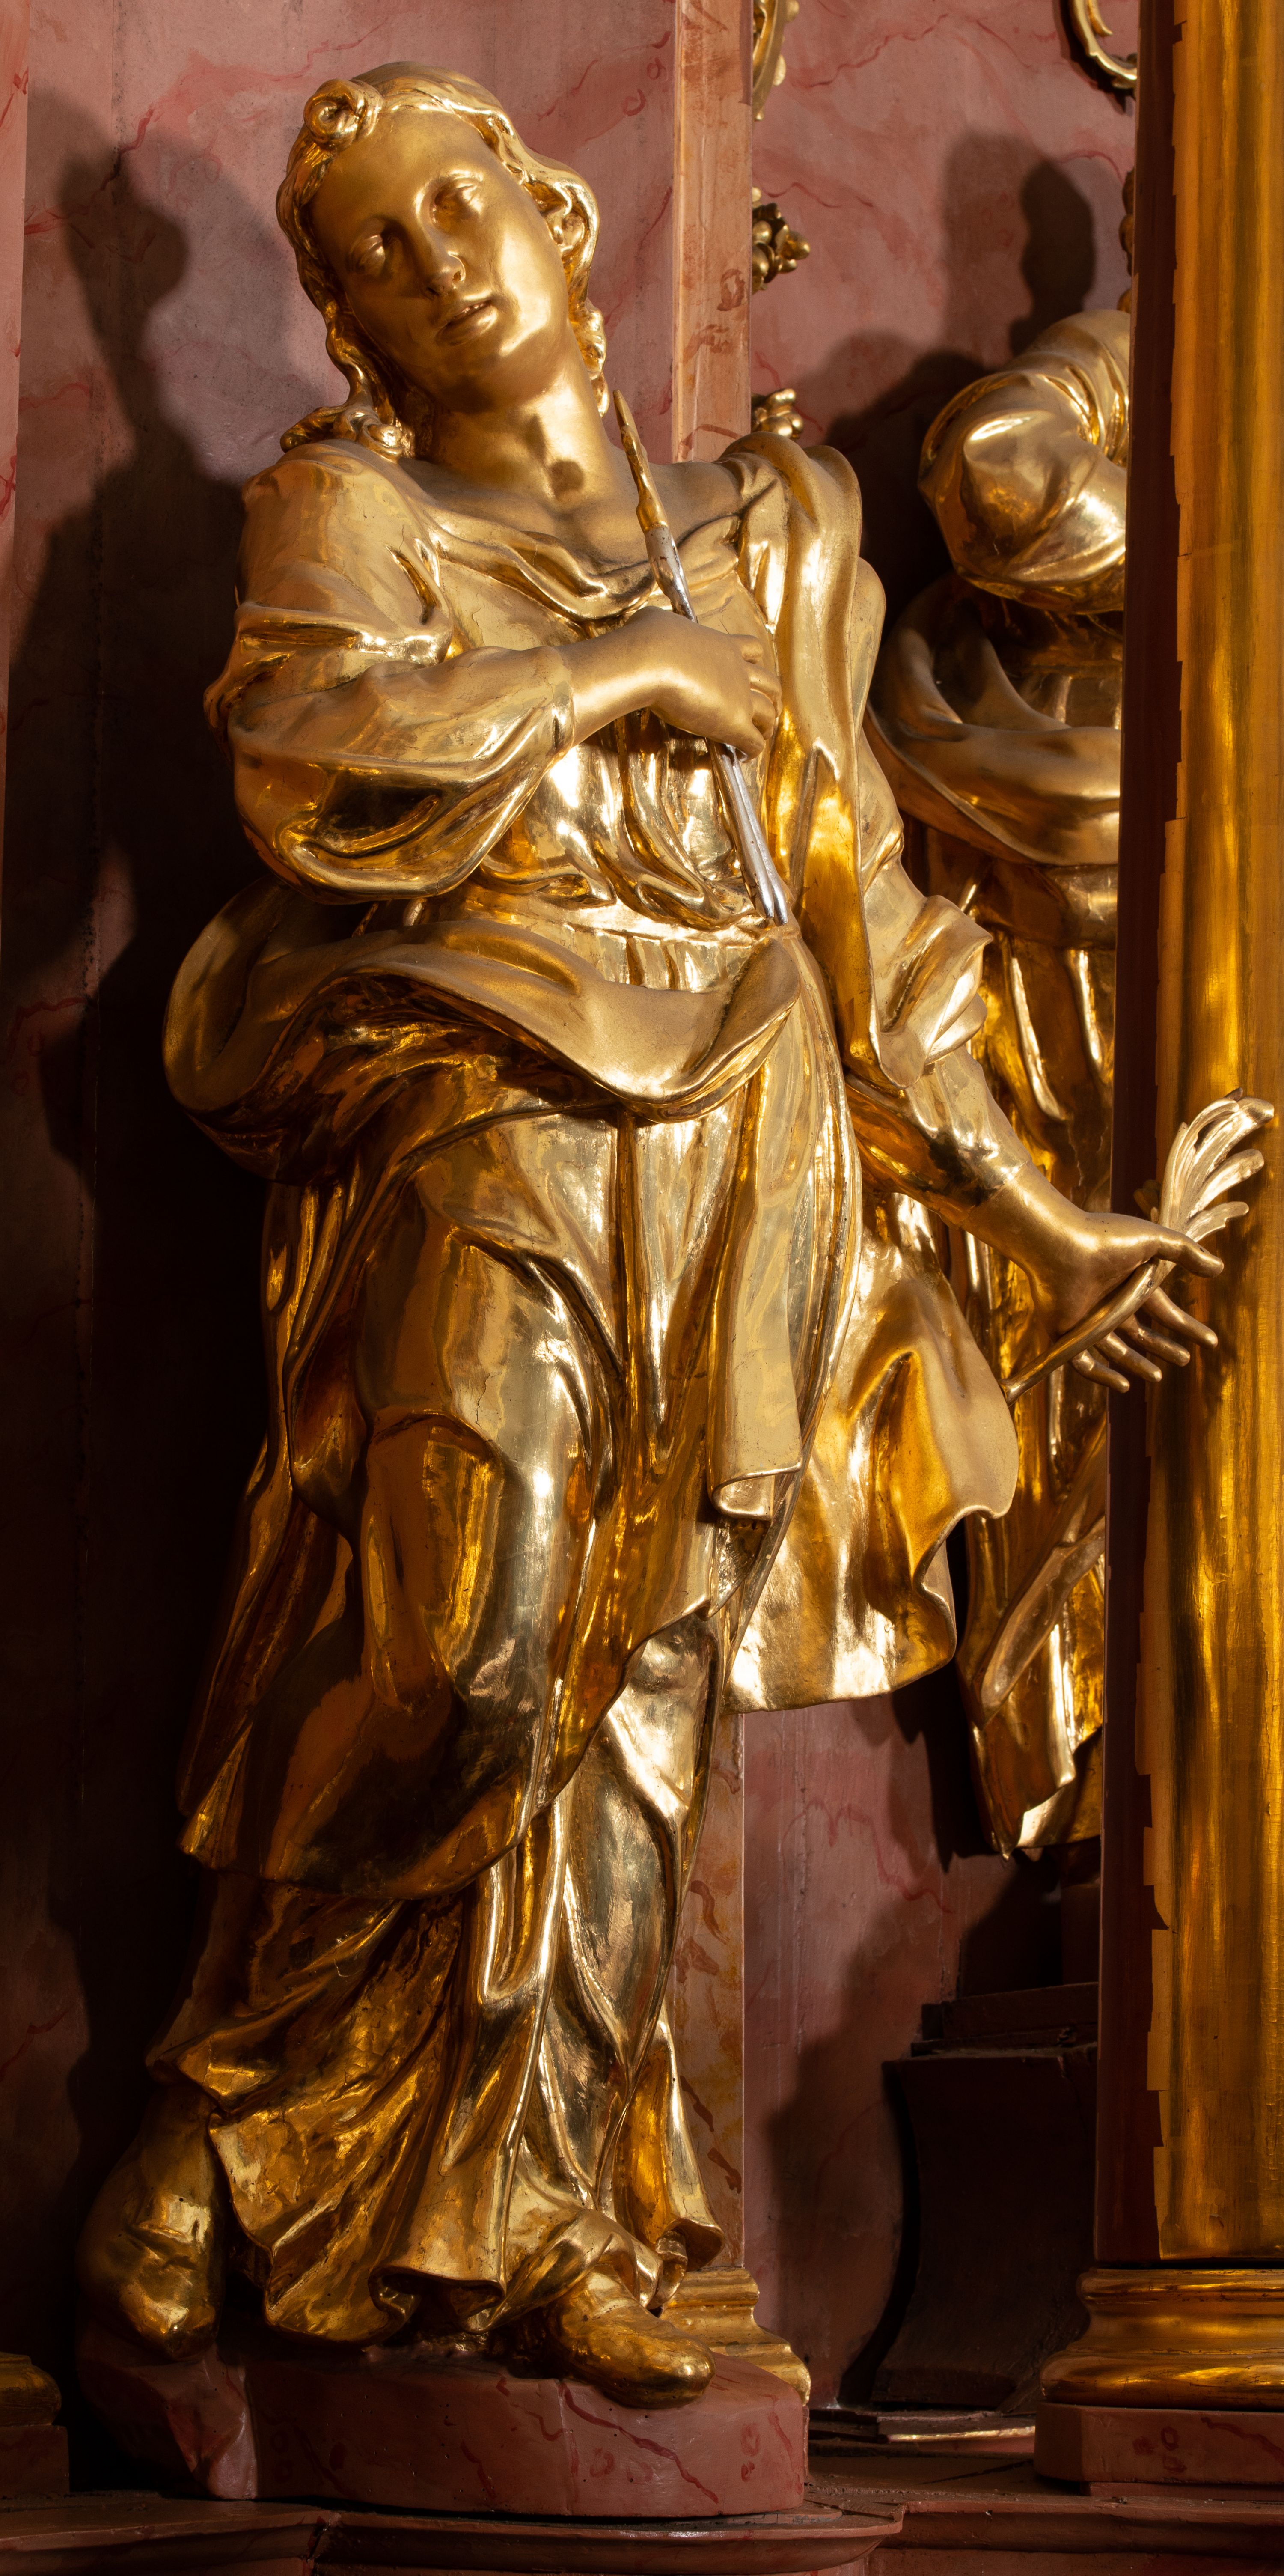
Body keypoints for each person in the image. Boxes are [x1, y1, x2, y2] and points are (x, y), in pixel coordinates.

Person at [77, 69, 1209, 2409]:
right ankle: (230, 2104)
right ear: (350, 329)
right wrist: (610, 672)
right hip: (481, 1122)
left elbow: (862, 915)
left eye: (460, 204)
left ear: (561, 211)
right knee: (469, 1656)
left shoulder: (768, 529)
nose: (438, 263)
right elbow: (307, 755)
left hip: (742, 1154)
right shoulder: (354, 509)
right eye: (374, 257)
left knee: (640, 1710)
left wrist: (1036, 1211)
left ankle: (567, 2213)